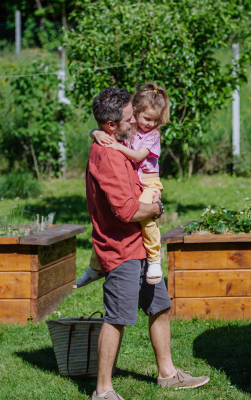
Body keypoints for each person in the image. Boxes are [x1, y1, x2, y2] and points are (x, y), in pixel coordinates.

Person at [86, 87, 208, 400]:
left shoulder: (116, 141)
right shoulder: (107, 155)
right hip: (121, 248)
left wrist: (94, 131)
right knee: (117, 319)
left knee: (160, 307)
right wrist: (155, 209)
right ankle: (103, 390)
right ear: (112, 126)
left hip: (140, 244)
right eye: (129, 118)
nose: (135, 124)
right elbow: (126, 210)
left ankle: (167, 374)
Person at [76, 82, 169, 288]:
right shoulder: (130, 129)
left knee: (148, 220)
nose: (149, 123)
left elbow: (138, 155)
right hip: (138, 183)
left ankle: (155, 259)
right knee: (104, 228)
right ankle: (95, 266)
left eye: (155, 120)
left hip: (150, 183)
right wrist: (95, 132)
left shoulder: (152, 135)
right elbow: (105, 127)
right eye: (143, 118)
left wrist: (117, 146)